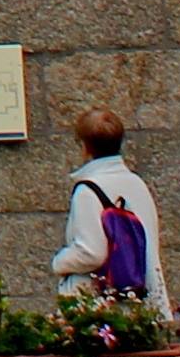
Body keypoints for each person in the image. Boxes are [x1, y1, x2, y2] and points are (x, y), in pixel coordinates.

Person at [50, 108, 161, 304]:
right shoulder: (137, 184)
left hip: (99, 304)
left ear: (85, 148)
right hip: (139, 298)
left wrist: (60, 261)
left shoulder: (87, 190)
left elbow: (91, 253)